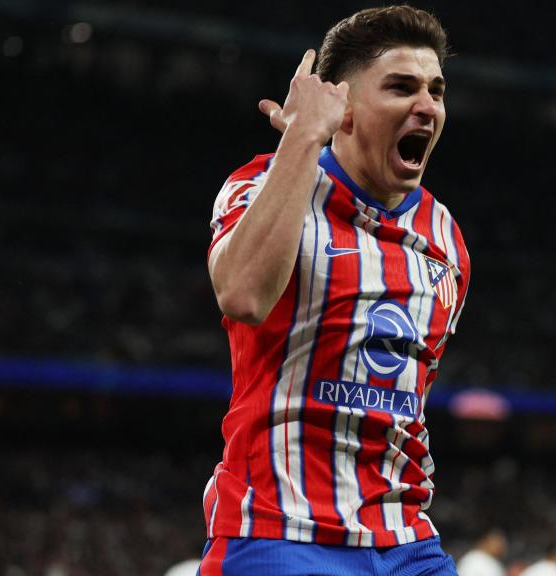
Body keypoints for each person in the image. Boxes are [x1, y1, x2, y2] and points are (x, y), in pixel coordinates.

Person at [199, 6, 469, 575]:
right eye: (401, 87)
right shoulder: (258, 184)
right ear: (342, 107)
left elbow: (408, 402)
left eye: (436, 90)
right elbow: (243, 295)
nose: (427, 106)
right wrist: (304, 135)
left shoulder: (447, 239)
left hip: (406, 541)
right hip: (279, 532)